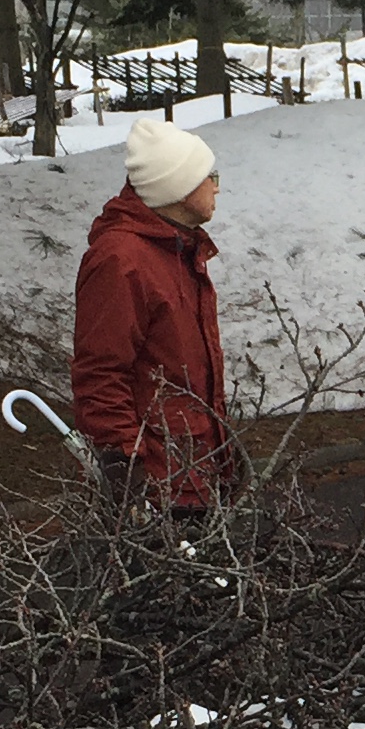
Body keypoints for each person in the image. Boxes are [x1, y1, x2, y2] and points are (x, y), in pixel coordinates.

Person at [70, 112, 235, 507]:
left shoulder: (178, 250)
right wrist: (126, 470)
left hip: (196, 475)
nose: (217, 186)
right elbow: (101, 373)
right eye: (208, 175)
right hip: (160, 488)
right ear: (178, 188)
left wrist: (222, 454)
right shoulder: (122, 260)